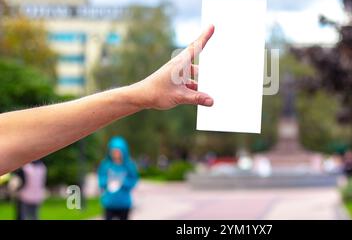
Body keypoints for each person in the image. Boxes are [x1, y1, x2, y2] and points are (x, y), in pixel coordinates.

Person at [0, 25, 215, 175]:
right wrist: (142, 94)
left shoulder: (128, 166)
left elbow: (6, 139)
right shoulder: (107, 166)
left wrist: (143, 94)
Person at [98, 136, 138, 220]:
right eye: (114, 151)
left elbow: (134, 180)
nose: (116, 154)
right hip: (109, 203)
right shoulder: (105, 165)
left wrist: (122, 182)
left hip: (124, 203)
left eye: (118, 151)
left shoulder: (129, 165)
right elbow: (101, 180)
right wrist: (108, 181)